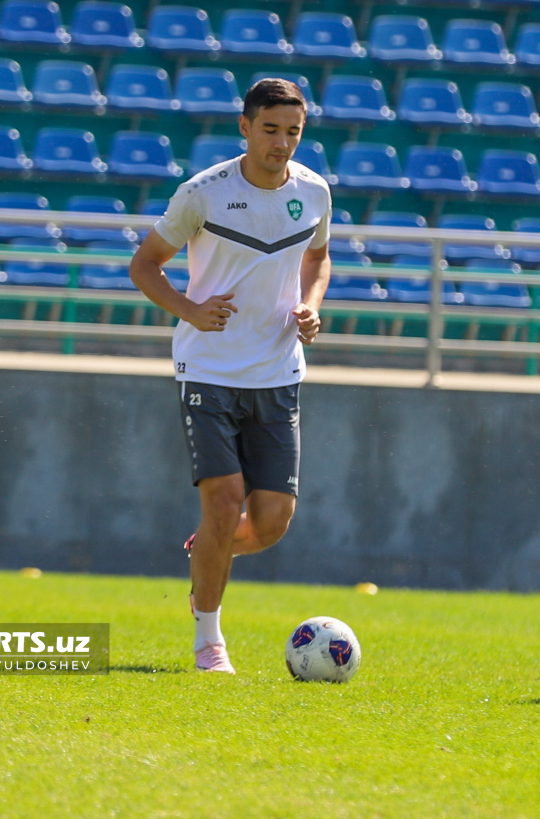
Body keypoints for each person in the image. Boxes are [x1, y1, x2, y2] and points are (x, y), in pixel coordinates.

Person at [129, 78, 332, 674]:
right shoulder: (204, 193)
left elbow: (318, 258)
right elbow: (144, 265)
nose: (281, 142)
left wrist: (311, 304)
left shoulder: (315, 192)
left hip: (277, 372)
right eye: (270, 129)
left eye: (292, 131)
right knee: (223, 505)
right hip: (209, 370)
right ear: (244, 127)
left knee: (270, 524)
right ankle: (208, 642)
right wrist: (190, 310)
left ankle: (207, 554)